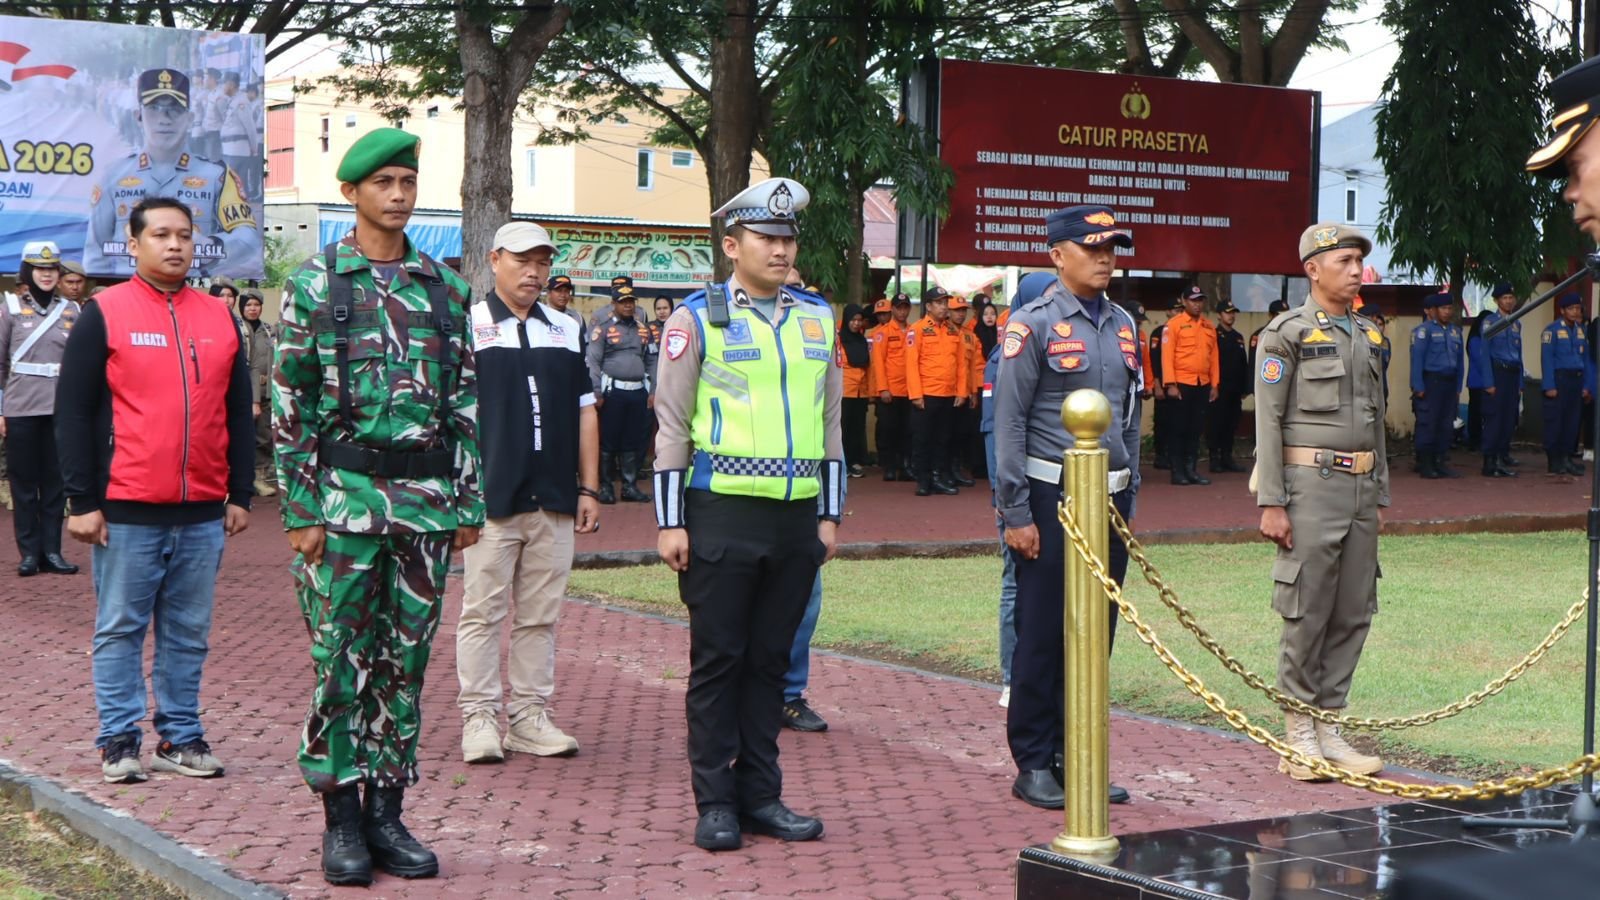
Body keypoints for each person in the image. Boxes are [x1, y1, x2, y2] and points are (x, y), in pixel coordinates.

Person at [272, 127, 483, 885]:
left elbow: (465, 401)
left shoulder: (444, 288)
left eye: (406, 181)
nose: (398, 195)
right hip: (343, 508)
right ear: (353, 193)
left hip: (424, 508)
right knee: (340, 664)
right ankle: (340, 819)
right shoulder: (316, 285)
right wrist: (300, 510)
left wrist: (468, 500)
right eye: (383, 183)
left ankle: (388, 814)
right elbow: (289, 404)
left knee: (405, 666)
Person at [652, 176, 841, 852]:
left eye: (788, 238)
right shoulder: (695, 319)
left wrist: (830, 516)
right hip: (721, 513)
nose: (781, 249)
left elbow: (831, 423)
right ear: (732, 244)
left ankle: (762, 794)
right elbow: (671, 425)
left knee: (771, 663)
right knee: (719, 662)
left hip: (795, 520)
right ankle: (716, 803)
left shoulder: (818, 317)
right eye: (767, 237)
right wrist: (671, 521)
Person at [55, 197, 255, 785]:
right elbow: (73, 411)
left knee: (188, 632)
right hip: (127, 506)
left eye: (185, 236)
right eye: (161, 235)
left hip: (201, 510)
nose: (175, 245)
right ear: (134, 243)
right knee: (119, 626)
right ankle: (119, 738)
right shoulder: (105, 311)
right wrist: (82, 501)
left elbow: (238, 412)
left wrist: (239, 492)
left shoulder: (220, 317)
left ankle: (181, 736)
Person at [994, 205, 1141, 811]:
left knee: (1095, 634)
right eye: (1092, 247)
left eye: (1112, 248)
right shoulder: (1032, 325)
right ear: (1058, 255)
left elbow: (1130, 415)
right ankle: (1033, 758)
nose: (1105, 257)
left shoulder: (1125, 322)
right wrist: (1016, 513)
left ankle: (1076, 754)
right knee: (1044, 633)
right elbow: (1009, 422)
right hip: (1051, 496)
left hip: (1109, 496)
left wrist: (1130, 491)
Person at [456, 221, 600, 765]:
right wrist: (458, 490)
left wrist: (589, 487)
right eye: (522, 261)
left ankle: (529, 717)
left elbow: (586, 412)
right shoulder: (468, 326)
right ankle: (479, 718)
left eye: (542, 262)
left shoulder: (566, 327)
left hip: (556, 497)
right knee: (481, 613)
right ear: (494, 261)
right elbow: (453, 417)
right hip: (490, 497)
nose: (534, 272)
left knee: (540, 615)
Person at [1254, 222, 1388, 782]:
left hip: (1359, 487)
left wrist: (1379, 490)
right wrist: (1272, 501)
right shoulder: (1285, 334)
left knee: (1354, 609)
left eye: (1359, 260)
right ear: (1313, 269)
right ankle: (1299, 732)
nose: (1356, 270)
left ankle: (1329, 726)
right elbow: (1268, 418)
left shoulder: (1369, 335)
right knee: (1307, 608)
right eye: (1344, 261)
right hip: (1309, 486)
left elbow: (1376, 419)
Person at [83, 69, 260, 279]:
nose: (164, 119)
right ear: (138, 117)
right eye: (154, 109)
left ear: (189, 118)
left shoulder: (217, 176)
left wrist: (212, 246)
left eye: (174, 109)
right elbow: (95, 252)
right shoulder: (112, 176)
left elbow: (248, 237)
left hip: (190, 291)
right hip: (128, 292)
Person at [983, 273, 1055, 712]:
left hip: (1050, 488)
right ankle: (1013, 677)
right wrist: (1007, 500)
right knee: (1015, 585)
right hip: (1018, 494)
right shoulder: (1007, 353)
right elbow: (998, 431)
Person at [1, 241, 81, 576]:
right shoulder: (10, 308)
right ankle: (29, 554)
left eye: (51, 269)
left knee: (55, 486)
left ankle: (52, 551)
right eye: (39, 268)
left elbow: (80, 364)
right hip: (21, 409)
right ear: (28, 272)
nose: (46, 275)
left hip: (60, 411)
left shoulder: (73, 311)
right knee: (23, 485)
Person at [586, 286, 654, 504]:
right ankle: (605, 487)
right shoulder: (603, 328)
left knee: (632, 441)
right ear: (613, 304)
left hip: (637, 392)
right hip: (613, 392)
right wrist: (596, 390)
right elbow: (593, 361)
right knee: (608, 440)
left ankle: (629, 486)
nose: (628, 305)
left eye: (631, 301)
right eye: (623, 301)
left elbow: (652, 359)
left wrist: (654, 390)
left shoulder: (643, 328)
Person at [906, 286, 969, 496]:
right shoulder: (918, 329)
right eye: (939, 303)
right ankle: (923, 480)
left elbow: (961, 364)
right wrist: (916, 395)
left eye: (945, 303)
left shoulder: (953, 331)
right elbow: (911, 364)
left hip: (948, 394)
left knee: (943, 439)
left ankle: (937, 477)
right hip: (926, 395)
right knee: (922, 439)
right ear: (928, 306)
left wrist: (961, 392)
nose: (944, 307)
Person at [1161, 286, 1220, 485]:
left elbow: (1214, 357)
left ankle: (1191, 470)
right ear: (1184, 301)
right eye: (1193, 300)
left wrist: (1215, 384)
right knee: (1178, 428)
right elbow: (1167, 356)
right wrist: (1170, 383)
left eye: (1200, 300)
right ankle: (1177, 472)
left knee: (1196, 429)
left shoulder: (1208, 326)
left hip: (1202, 384)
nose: (1197, 304)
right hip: (1181, 384)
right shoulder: (1174, 325)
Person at [1409, 293, 1464, 479]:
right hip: (1431, 382)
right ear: (1433, 310)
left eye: (1449, 308)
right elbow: (1417, 360)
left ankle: (1440, 462)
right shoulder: (1424, 331)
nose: (1447, 312)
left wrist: (1458, 388)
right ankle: (1426, 463)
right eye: (1443, 308)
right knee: (1429, 424)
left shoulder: (1456, 331)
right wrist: (1418, 386)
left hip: (1449, 383)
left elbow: (1460, 363)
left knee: (1446, 424)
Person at [1470, 284, 1523, 477]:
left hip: (1512, 375)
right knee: (1494, 420)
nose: (1509, 301)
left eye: (1511, 297)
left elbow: (1519, 354)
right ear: (1496, 301)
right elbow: (1485, 355)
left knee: (1508, 420)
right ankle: (1490, 462)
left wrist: (1520, 383)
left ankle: (1501, 459)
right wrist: (1489, 382)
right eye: (1504, 298)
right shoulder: (1490, 322)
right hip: (1497, 373)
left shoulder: (1516, 323)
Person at [1541, 294, 1592, 477]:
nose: (1575, 312)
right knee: (1556, 421)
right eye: (1570, 308)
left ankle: (1566, 458)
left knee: (1572, 422)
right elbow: (1546, 360)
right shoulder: (1551, 330)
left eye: (1577, 308)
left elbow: (1585, 360)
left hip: (1576, 380)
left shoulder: (1580, 330)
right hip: (1559, 380)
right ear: (1562, 311)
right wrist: (1549, 385)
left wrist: (1586, 385)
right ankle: (1554, 461)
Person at [238, 290, 277, 496]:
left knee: (263, 435)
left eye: (256, 305)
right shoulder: (236, 327)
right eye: (248, 305)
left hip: (263, 392)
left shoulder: (268, 330)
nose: (252, 309)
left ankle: (259, 478)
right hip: (241, 392)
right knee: (240, 436)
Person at [871, 293, 913, 480]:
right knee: (889, 430)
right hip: (890, 391)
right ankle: (889, 467)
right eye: (898, 308)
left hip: (910, 390)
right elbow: (878, 363)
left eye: (905, 307)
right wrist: (883, 389)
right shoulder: (883, 333)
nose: (902, 311)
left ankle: (904, 467)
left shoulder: (914, 330)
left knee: (908, 430)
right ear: (893, 310)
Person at [1209, 299, 1250, 473]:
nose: (1231, 316)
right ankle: (1214, 458)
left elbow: (1243, 364)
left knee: (1231, 424)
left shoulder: (1238, 337)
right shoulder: (1213, 335)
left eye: (1233, 312)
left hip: (1235, 389)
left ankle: (1227, 457)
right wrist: (1213, 386)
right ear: (1219, 315)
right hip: (1219, 388)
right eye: (1227, 312)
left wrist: (1245, 388)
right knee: (1216, 423)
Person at [837, 303, 872, 477]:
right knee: (842, 428)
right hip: (844, 392)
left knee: (857, 428)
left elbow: (867, 367)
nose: (857, 324)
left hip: (861, 392)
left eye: (859, 320)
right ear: (846, 320)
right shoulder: (837, 340)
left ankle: (854, 462)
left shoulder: (862, 340)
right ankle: (842, 462)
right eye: (853, 320)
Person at [218, 72, 260, 203]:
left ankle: (241, 210)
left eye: (224, 84)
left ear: (231, 84)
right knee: (234, 184)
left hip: (237, 150)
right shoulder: (233, 101)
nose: (222, 87)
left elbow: (250, 127)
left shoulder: (241, 102)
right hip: (230, 149)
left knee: (235, 184)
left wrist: (254, 148)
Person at [1147, 303, 1173, 469]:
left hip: (1177, 384)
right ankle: (1160, 455)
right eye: (1175, 309)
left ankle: (1172, 454)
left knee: (1175, 422)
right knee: (1162, 421)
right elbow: (1154, 359)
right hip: (1162, 384)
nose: (1178, 312)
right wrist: (1156, 383)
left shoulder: (1181, 331)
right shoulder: (1158, 332)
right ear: (1168, 311)